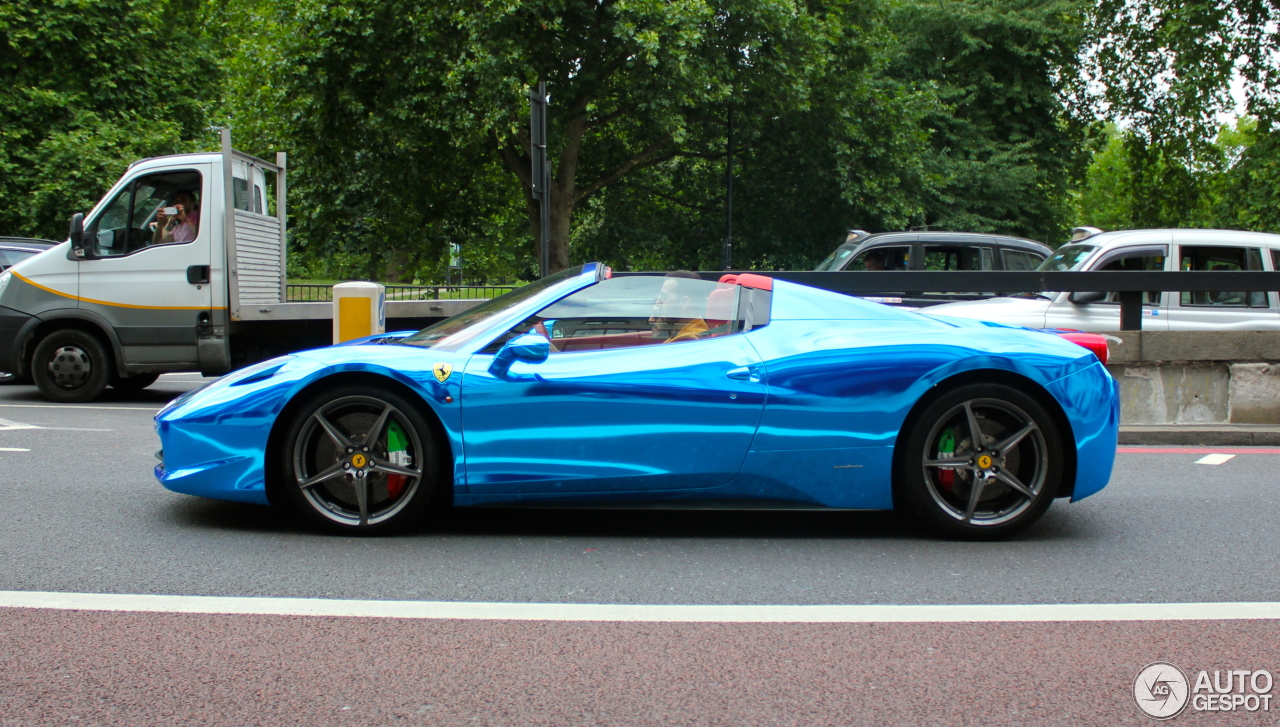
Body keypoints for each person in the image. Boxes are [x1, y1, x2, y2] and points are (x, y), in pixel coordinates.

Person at [649, 270, 709, 342]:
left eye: (664, 297)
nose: (658, 302)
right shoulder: (681, 332)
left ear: (684, 303)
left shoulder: (687, 340)